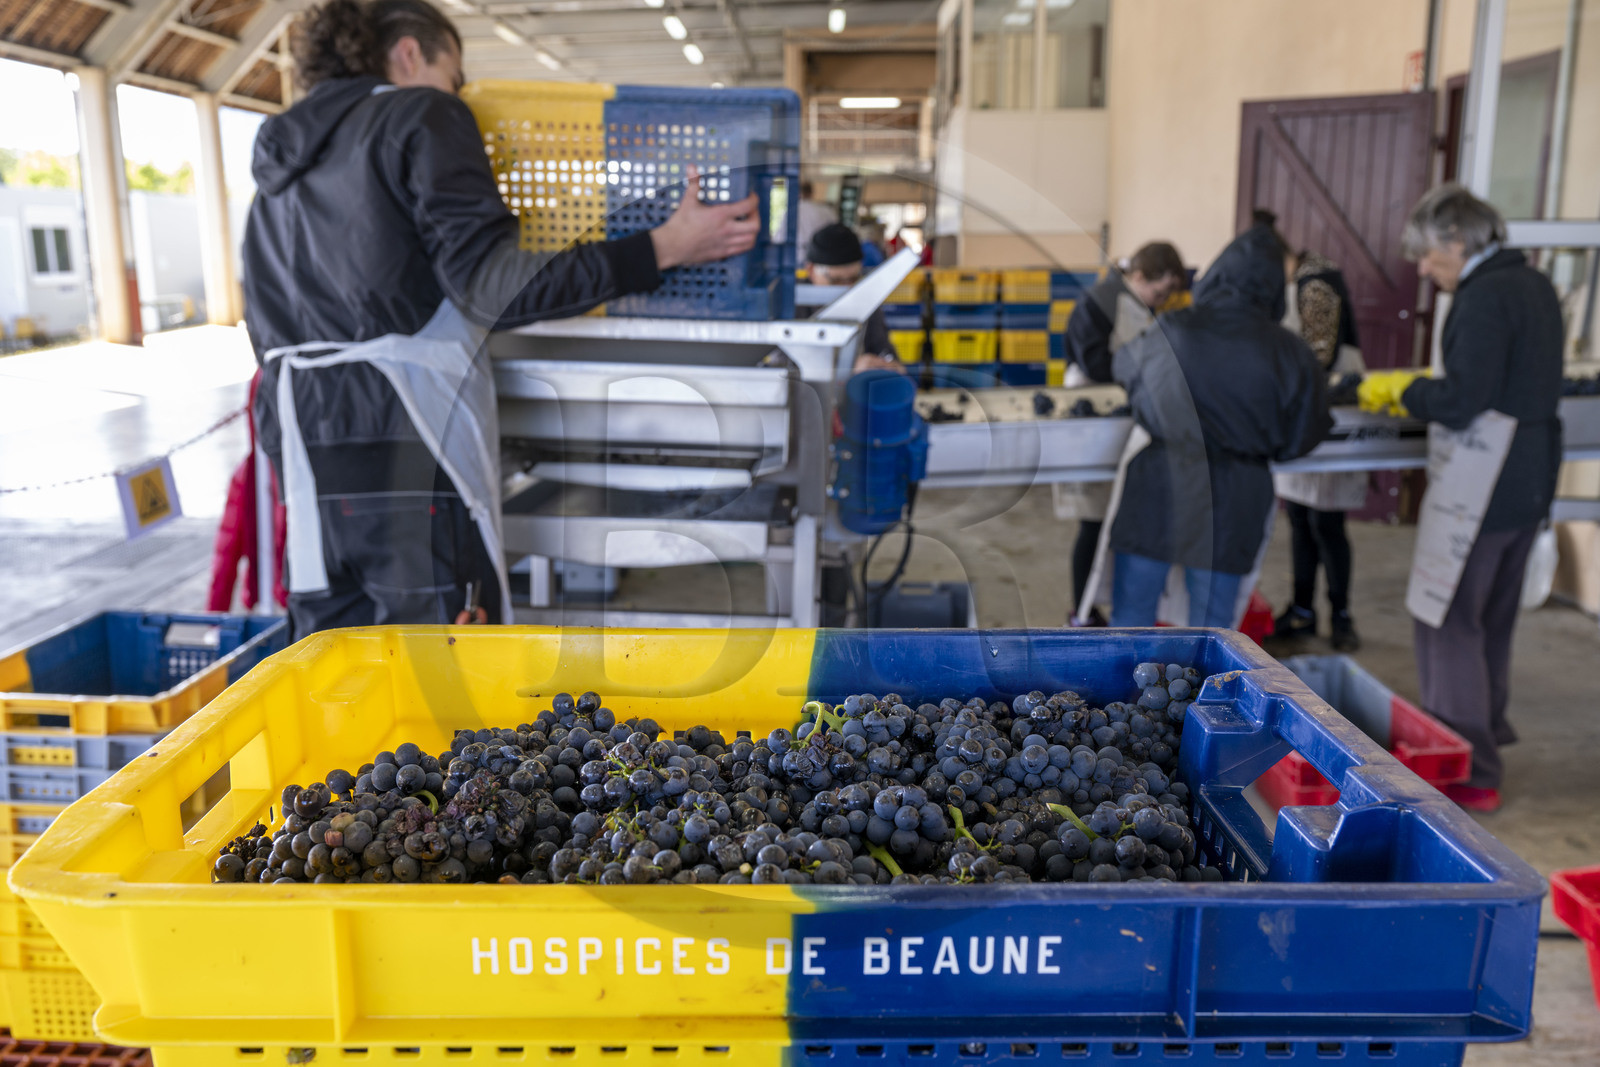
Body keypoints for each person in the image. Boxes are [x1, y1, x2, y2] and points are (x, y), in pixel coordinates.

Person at [245, 0, 760, 637]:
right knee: (448, 662)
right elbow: (495, 289)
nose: (461, 94)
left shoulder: (278, 168)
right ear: (410, 53)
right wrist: (662, 248)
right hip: (407, 439)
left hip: (299, 444)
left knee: (333, 662)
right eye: (455, 76)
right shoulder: (421, 114)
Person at [1363, 184, 1563, 813]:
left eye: (1426, 255)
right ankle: (1485, 732)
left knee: (1446, 617)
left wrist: (1409, 390)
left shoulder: (1481, 298)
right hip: (1530, 477)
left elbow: (1463, 399)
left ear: (1457, 240)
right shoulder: (1535, 285)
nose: (1422, 269)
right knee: (1493, 617)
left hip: (1485, 483)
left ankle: (1467, 767)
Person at [1107, 222, 1332, 627]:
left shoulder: (1174, 328)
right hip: (1236, 495)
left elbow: (1126, 369)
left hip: (1160, 484)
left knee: (1130, 623)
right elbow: (1306, 433)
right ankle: (1204, 694)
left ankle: (1128, 691)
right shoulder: (1290, 351)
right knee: (1213, 634)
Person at [1255, 211, 1368, 652]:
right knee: (1301, 517)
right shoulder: (1291, 283)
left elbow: (1319, 353)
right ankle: (1302, 610)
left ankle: (1341, 613)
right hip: (1299, 408)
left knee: (1328, 521)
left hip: (1329, 411)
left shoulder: (1316, 278)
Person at [1061, 242, 1186, 624]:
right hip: (1093, 416)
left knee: (1111, 520)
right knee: (1093, 520)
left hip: (1121, 415)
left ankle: (1100, 606)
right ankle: (1081, 612)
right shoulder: (1101, 301)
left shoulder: (1133, 302)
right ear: (1138, 276)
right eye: (1158, 292)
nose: (1160, 302)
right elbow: (1094, 361)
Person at [805, 222, 900, 372]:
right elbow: (781, 367)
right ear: (811, 271)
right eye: (835, 281)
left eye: (853, 279)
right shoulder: (792, 305)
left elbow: (886, 353)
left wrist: (888, 366)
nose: (846, 289)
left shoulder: (866, 304)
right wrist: (846, 369)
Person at [796, 180, 837, 258]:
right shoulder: (826, 210)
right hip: (821, 255)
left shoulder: (791, 212)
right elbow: (836, 232)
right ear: (811, 193)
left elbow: (778, 237)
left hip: (797, 254)